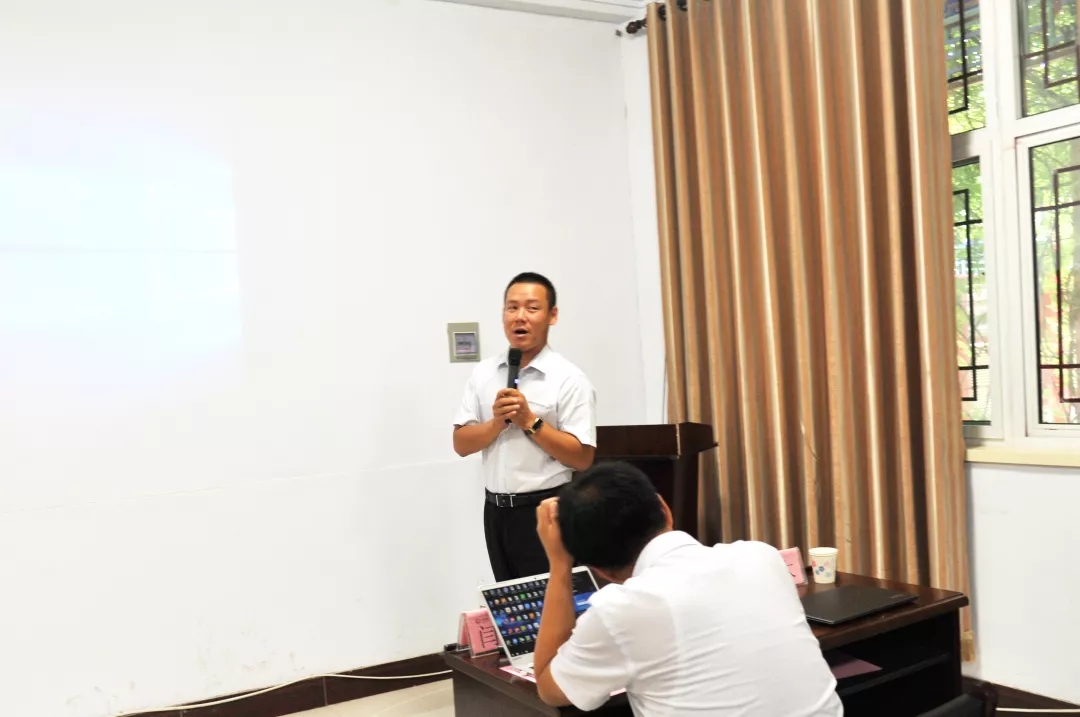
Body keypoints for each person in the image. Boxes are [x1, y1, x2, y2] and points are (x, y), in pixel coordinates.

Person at [531, 461, 844, 717]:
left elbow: (549, 687)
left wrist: (559, 563)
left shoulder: (620, 610)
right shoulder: (761, 556)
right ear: (664, 509)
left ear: (599, 569)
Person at [453, 272, 597, 581]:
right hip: (496, 512)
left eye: (532, 308)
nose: (520, 317)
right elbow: (461, 443)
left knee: (553, 603)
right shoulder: (483, 373)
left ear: (552, 315)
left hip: (547, 509)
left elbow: (582, 457)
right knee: (511, 603)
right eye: (512, 307)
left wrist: (530, 422)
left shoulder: (569, 379)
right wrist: (497, 423)